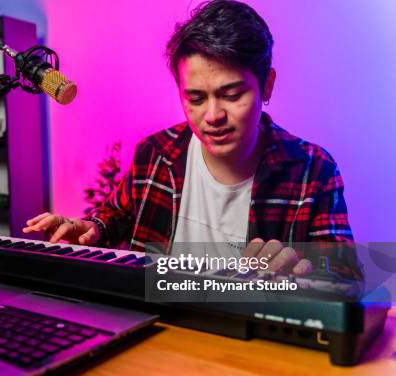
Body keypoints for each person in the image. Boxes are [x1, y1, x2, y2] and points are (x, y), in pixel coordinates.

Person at [23, 0, 355, 278]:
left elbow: (345, 279)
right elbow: (113, 219)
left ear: (266, 86)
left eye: (232, 94)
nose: (212, 116)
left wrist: (302, 275)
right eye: (195, 99)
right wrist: (86, 229)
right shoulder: (154, 154)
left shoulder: (314, 169)